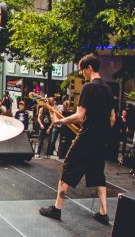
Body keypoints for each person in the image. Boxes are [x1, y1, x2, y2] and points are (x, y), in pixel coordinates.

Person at [39, 54, 115, 225]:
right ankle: (103, 213)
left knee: (68, 168)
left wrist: (60, 121)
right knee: (98, 173)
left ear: (89, 68)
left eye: (82, 71)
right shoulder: (109, 89)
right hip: (101, 140)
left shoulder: (89, 88)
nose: (82, 74)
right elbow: (112, 119)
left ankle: (57, 208)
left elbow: (80, 116)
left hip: (87, 137)